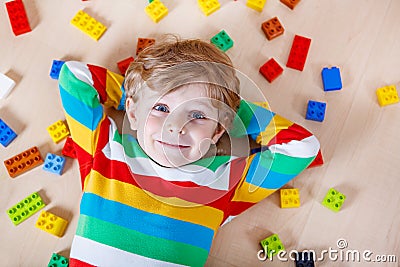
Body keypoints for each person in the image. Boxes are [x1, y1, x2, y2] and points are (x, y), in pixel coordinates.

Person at [58, 35, 320, 267]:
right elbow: (75, 77)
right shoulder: (106, 150)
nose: (175, 127)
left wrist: (228, 111)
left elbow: (303, 146)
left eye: (196, 115)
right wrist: (139, 95)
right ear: (134, 112)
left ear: (219, 131)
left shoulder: (226, 181)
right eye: (161, 109)